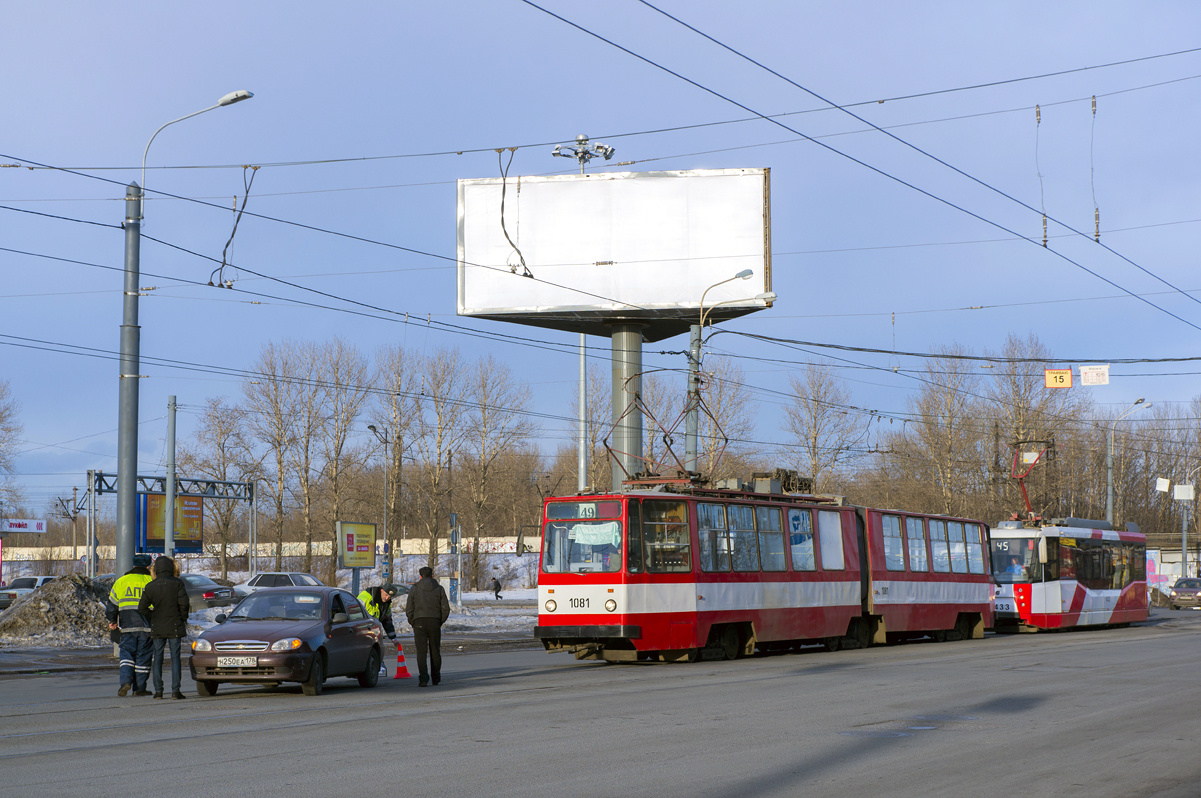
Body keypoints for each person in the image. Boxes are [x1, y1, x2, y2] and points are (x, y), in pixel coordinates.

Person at [138, 555, 190, 699]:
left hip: (158, 625)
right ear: (170, 568)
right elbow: (184, 604)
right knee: (175, 658)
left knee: (158, 658)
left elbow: (141, 608)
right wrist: (182, 618)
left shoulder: (151, 586)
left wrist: (153, 616)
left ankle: (158, 691)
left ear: (157, 569)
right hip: (174, 624)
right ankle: (175, 691)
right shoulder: (177, 583)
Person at [105, 554, 155, 697]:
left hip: (127, 626)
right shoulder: (150, 581)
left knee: (126, 654)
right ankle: (139, 688)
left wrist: (112, 620)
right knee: (143, 658)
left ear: (133, 565)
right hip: (147, 627)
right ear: (148, 566)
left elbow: (112, 605)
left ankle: (125, 682)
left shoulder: (122, 581)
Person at [404, 566, 450, 687]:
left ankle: (423, 679)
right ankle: (436, 678)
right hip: (434, 622)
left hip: (419, 622)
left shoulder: (414, 589)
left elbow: (409, 608)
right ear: (432, 575)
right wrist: (440, 621)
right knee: (435, 651)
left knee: (421, 652)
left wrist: (412, 621)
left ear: (420, 576)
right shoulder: (439, 588)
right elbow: (445, 608)